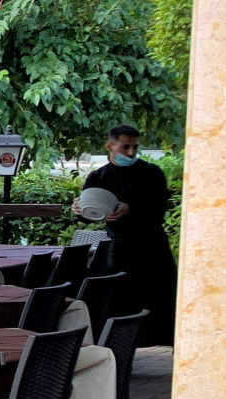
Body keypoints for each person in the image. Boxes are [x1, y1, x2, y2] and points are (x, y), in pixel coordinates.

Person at [75, 124, 176, 344]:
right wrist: (79, 209)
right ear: (110, 146)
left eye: (134, 147)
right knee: (120, 303)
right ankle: (120, 351)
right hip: (119, 249)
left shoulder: (152, 173)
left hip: (153, 249)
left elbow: (160, 208)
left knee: (160, 304)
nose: (130, 153)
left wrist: (131, 208)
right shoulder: (98, 176)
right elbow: (88, 214)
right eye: (125, 147)